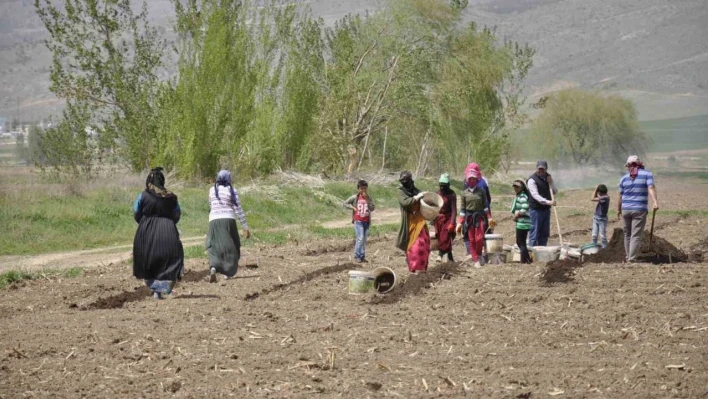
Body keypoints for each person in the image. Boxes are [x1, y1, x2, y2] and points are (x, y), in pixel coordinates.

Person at [132, 167, 184, 299]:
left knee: (148, 260)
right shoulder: (171, 197)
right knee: (171, 260)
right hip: (168, 230)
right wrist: (169, 224)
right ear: (162, 180)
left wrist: (144, 223)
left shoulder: (143, 195)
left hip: (146, 231)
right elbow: (177, 215)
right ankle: (161, 289)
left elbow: (136, 212)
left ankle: (156, 290)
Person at [207, 170, 251, 283]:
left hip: (214, 221)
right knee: (233, 245)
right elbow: (238, 210)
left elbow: (211, 206)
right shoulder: (232, 191)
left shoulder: (212, 190)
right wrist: (245, 226)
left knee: (213, 245)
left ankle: (213, 267)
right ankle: (228, 273)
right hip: (228, 220)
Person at [617, 156, 658, 262]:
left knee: (627, 234)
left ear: (628, 166)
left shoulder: (623, 178)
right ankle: (632, 258)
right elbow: (651, 187)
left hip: (625, 209)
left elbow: (620, 196)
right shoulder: (647, 174)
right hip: (639, 209)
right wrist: (655, 202)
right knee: (635, 234)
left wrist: (618, 210)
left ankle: (628, 257)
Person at [395, 171, 430, 273]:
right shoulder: (401, 191)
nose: (404, 182)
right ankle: (413, 267)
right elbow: (405, 202)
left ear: (411, 180)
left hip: (419, 221)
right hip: (410, 221)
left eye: (406, 180)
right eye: (403, 181)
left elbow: (423, 200)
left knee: (424, 244)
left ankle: (422, 269)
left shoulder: (415, 190)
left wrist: (424, 195)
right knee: (414, 247)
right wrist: (416, 197)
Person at [456, 168, 491, 268]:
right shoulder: (464, 193)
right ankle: (475, 259)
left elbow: (485, 206)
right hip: (469, 218)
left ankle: (479, 254)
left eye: (474, 179)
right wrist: (459, 223)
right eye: (470, 179)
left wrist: (489, 218)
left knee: (479, 238)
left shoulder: (481, 191)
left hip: (479, 217)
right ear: (467, 180)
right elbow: (462, 209)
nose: (472, 181)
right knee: (471, 239)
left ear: (477, 180)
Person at [461, 163, 495, 258]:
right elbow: (489, 198)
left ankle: (474, 253)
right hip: (475, 212)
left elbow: (486, 196)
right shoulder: (483, 180)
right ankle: (478, 254)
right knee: (478, 233)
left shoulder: (467, 181)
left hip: (481, 211)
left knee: (477, 234)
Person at [344, 180, 375, 263]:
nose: (363, 190)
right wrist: (353, 208)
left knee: (364, 240)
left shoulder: (368, 197)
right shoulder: (355, 197)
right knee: (360, 238)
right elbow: (345, 203)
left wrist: (368, 200)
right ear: (358, 189)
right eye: (361, 188)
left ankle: (362, 256)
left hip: (366, 221)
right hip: (358, 220)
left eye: (365, 188)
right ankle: (357, 255)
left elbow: (372, 208)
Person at [526, 160, 557, 247]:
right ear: (536, 168)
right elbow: (536, 196)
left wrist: (551, 182)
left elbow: (554, 191)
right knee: (534, 233)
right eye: (539, 169)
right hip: (535, 210)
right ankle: (531, 254)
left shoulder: (548, 178)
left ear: (546, 169)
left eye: (543, 169)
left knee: (544, 234)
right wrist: (549, 202)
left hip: (546, 210)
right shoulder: (532, 180)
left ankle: (542, 252)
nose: (541, 171)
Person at [434, 173, 457, 263]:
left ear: (448, 184)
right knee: (442, 237)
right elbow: (434, 207)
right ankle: (450, 257)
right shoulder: (437, 194)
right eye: (441, 185)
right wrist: (433, 217)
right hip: (439, 218)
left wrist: (452, 222)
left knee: (446, 235)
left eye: (445, 185)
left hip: (448, 218)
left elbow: (454, 209)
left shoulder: (452, 194)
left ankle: (440, 254)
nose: (442, 187)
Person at [510, 180, 532, 264]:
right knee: (520, 242)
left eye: (517, 187)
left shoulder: (522, 196)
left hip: (523, 222)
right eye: (514, 187)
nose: (515, 188)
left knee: (520, 242)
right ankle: (527, 259)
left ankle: (524, 260)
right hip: (522, 222)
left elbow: (525, 206)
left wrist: (517, 215)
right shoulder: (520, 195)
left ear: (522, 188)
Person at [590, 184, 610, 248]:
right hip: (596, 217)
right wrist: (597, 191)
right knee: (594, 235)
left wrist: (596, 189)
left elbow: (592, 198)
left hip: (602, 219)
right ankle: (594, 247)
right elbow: (596, 196)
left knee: (602, 235)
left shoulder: (605, 198)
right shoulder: (603, 196)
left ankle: (605, 248)